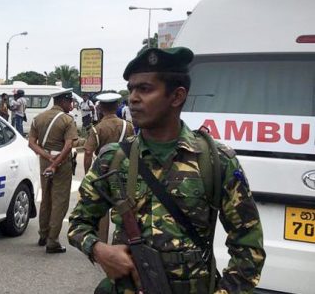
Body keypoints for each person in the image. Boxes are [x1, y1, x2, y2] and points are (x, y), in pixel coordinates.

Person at [68, 47, 265, 293]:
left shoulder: (216, 161)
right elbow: (78, 223)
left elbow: (248, 245)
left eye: (145, 89)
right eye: (131, 89)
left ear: (177, 96)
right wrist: (100, 250)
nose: (133, 98)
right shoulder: (114, 158)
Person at [27, 89, 78, 254]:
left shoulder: (38, 118)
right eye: (70, 102)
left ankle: (43, 234)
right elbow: (68, 145)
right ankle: (52, 241)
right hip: (61, 163)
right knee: (60, 201)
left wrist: (47, 157)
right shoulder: (67, 120)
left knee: (46, 197)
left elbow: (32, 144)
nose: (71, 105)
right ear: (63, 101)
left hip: (45, 160)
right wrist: (55, 163)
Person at [82, 92, 135, 243]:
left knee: (102, 210)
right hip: (124, 171)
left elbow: (87, 152)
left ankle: (102, 243)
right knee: (125, 207)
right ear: (117, 106)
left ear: (101, 108)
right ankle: (125, 242)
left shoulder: (97, 129)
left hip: (102, 172)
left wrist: (88, 174)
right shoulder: (128, 126)